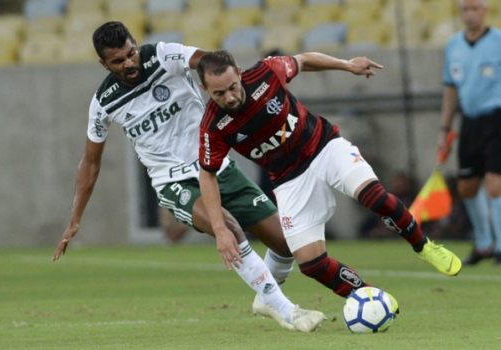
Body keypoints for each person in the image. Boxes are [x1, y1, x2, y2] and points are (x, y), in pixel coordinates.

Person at [52, 22, 325, 332]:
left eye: (131, 53)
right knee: (229, 229)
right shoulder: (103, 103)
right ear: (103, 64)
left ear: (135, 44)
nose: (129, 63)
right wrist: (75, 219)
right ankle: (285, 309)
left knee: (287, 245)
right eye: (118, 61)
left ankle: (266, 295)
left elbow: (210, 63)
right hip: (174, 183)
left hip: (217, 167)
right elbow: (90, 162)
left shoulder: (165, 56)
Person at [195, 49, 462, 301]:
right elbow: (207, 176)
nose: (229, 97)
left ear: (239, 73)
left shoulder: (266, 72)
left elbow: (305, 60)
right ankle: (369, 298)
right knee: (311, 263)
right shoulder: (212, 127)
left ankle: (424, 246)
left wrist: (348, 65)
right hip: (289, 179)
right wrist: (220, 230)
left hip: (323, 146)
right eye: (219, 93)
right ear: (205, 89)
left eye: (232, 87)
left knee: (374, 197)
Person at [438, 0, 501, 265]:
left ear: (485, 11)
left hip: (497, 118)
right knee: (467, 188)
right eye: (465, 9)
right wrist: (445, 128)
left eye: (475, 8)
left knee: (495, 184)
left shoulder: (498, 40)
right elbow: (450, 90)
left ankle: (500, 246)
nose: (470, 14)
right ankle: (485, 244)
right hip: (470, 122)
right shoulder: (454, 45)